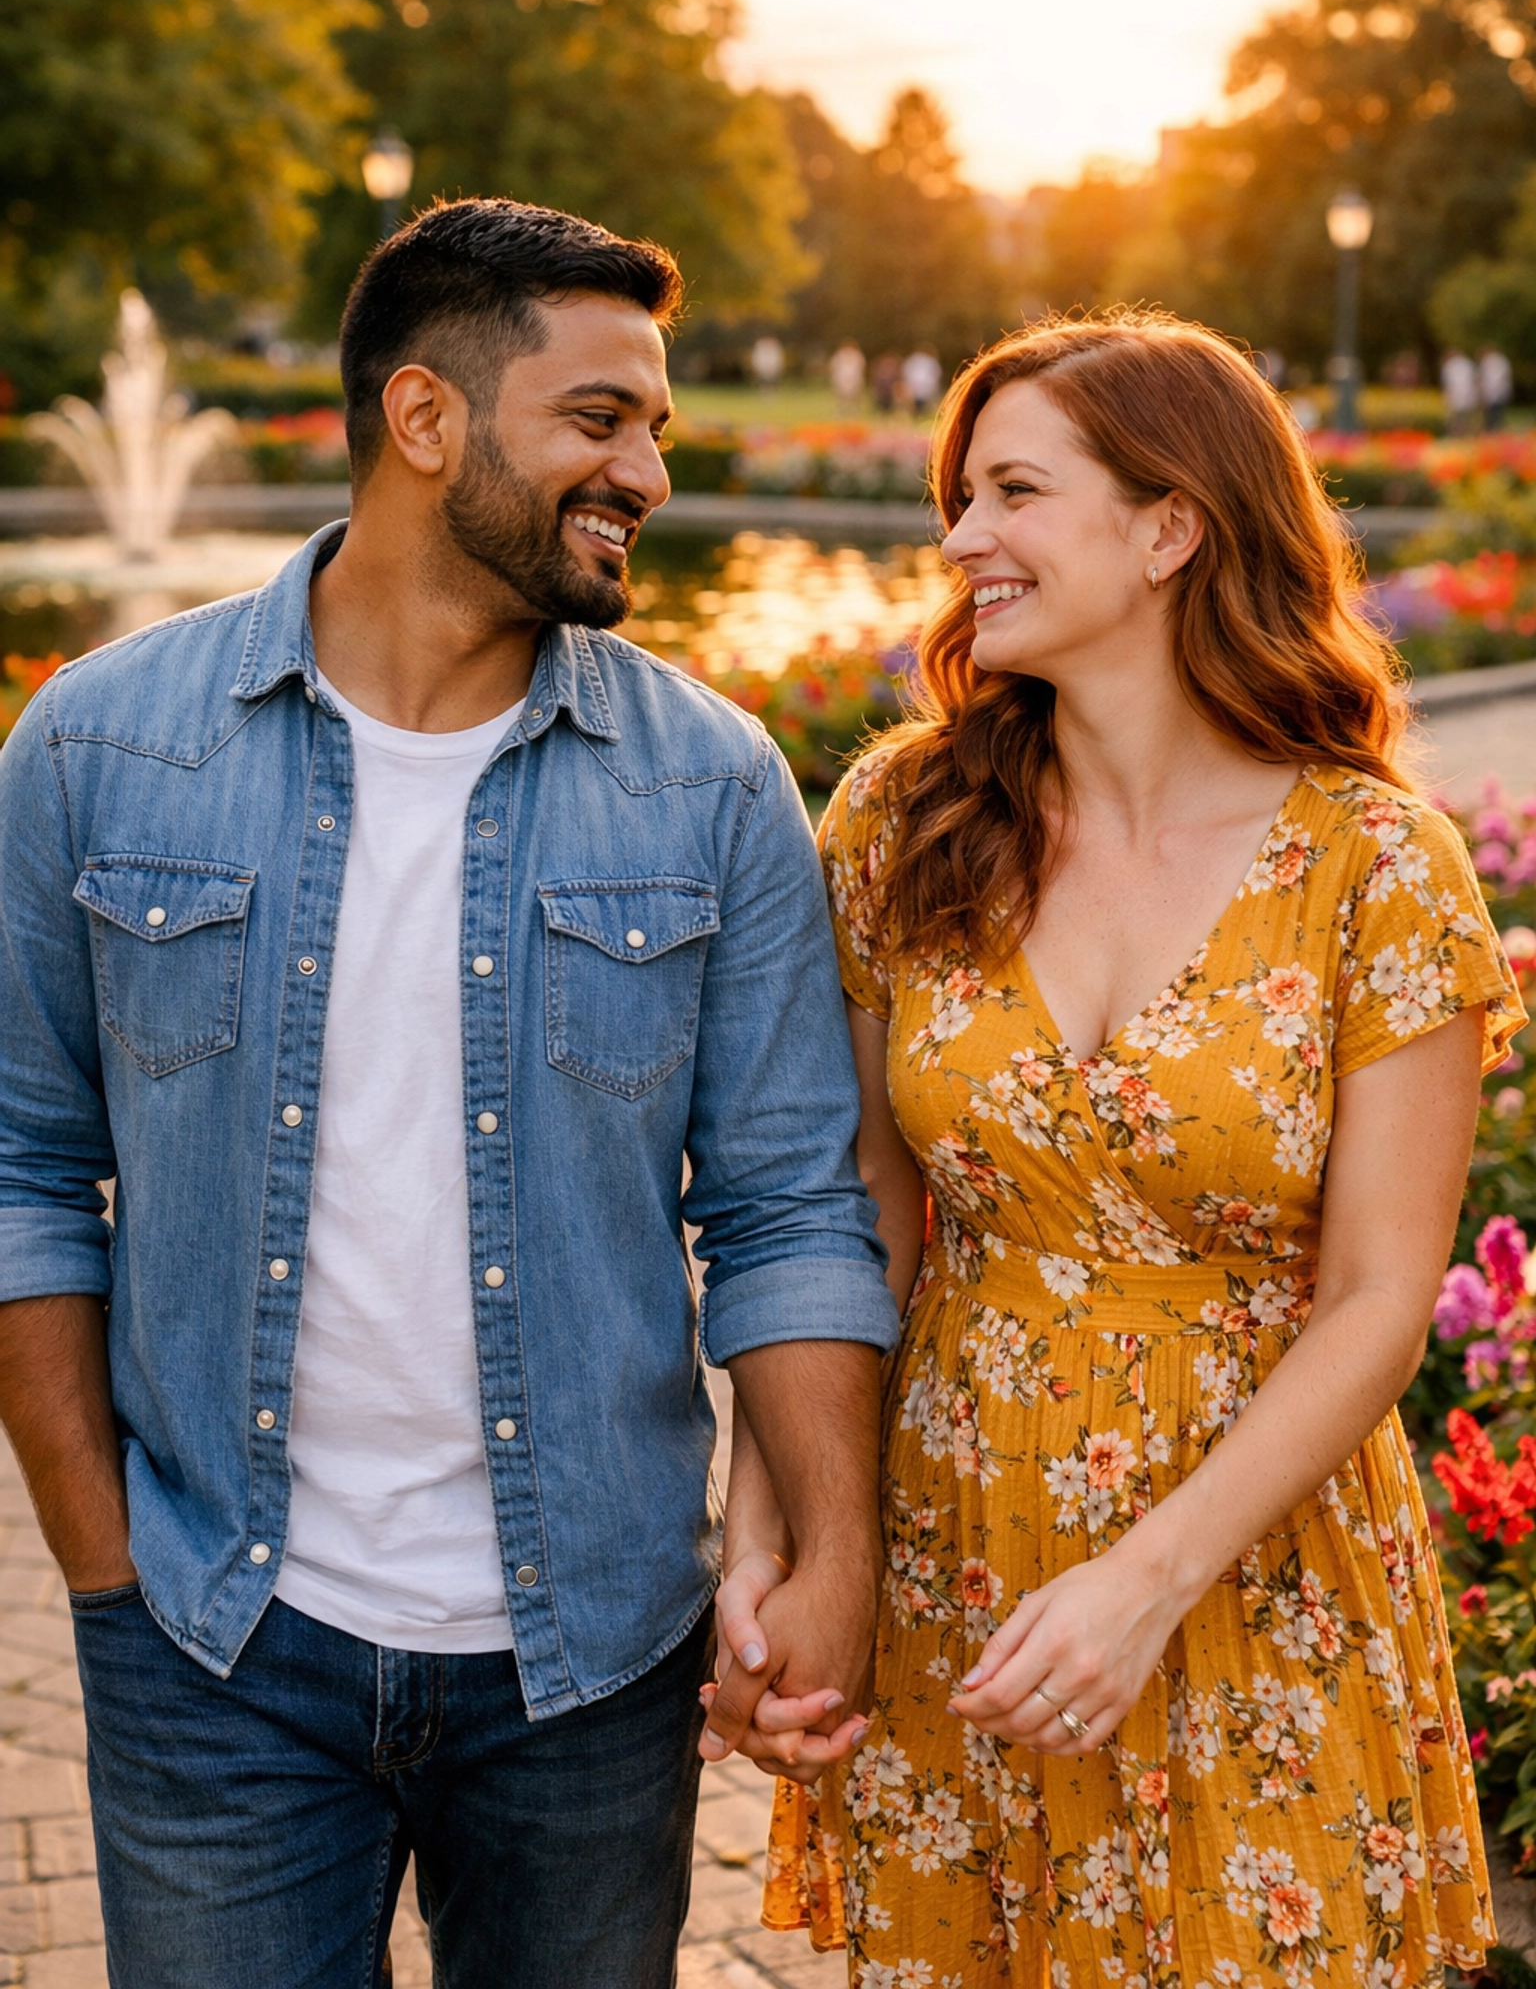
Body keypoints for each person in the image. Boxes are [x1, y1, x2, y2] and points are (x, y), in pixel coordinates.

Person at [0, 197, 898, 1987]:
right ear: (426, 419)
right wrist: (106, 1574)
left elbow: (791, 1204)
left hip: (591, 1656)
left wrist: (832, 1546)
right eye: (598, 417)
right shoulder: (98, 746)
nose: (645, 466)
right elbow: (27, 1167)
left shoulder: (709, 783)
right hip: (214, 1643)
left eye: (654, 423)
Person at [705, 315, 1523, 1984]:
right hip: (955, 1547)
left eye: (1013, 489)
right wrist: (772, 1530)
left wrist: (1146, 1578)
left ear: (1170, 525)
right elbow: (847, 1211)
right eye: (959, 493)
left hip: (1251, 1562)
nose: (959, 539)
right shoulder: (898, 821)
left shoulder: (1378, 863)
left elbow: (1380, 1292)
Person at [1441, 346, 1479, 436]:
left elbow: (1447, 383)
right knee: (1467, 416)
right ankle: (1467, 433)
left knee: (1456, 416)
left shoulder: (1449, 365)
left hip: (1457, 394)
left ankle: (1457, 433)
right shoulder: (1467, 363)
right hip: (1466, 393)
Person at [900, 346, 943, 417]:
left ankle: (919, 415)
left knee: (921, 405)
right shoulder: (930, 361)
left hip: (919, 387)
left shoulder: (913, 360)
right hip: (924, 387)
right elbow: (937, 374)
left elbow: (906, 372)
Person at [1479, 344, 1514, 432]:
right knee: (1497, 411)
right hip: (1498, 389)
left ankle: (1494, 429)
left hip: (1493, 390)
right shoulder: (1501, 360)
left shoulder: (1487, 361)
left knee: (1492, 412)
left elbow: (1484, 377)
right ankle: (1497, 428)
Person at [829, 340, 866, 408]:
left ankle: (853, 410)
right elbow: (833, 366)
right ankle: (843, 409)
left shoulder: (857, 355)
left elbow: (862, 366)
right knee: (841, 395)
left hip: (854, 378)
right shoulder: (839, 355)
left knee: (854, 395)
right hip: (841, 377)